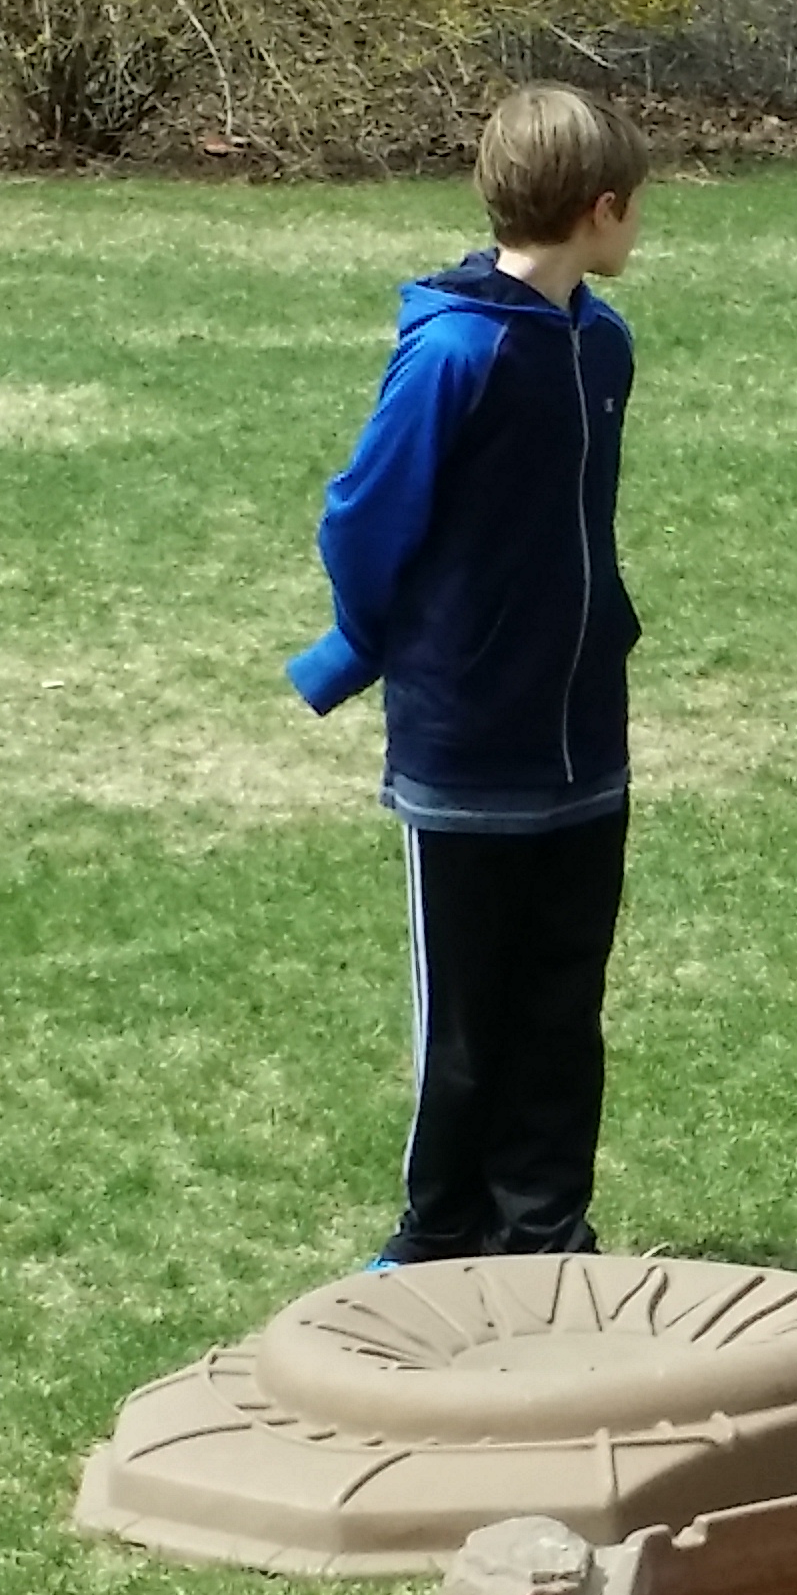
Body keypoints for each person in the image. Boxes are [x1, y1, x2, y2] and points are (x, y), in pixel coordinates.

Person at [288, 82, 649, 1267]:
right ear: (602, 209)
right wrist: (364, 645)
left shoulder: (601, 344)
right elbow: (362, 518)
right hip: (466, 743)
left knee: (563, 1004)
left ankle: (544, 1234)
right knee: (468, 1022)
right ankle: (436, 1235)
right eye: (638, 208)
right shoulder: (455, 353)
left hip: (583, 737)